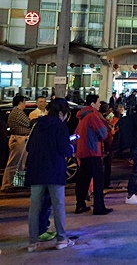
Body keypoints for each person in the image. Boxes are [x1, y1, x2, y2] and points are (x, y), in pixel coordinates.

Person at [25, 98, 75, 252]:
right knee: (58, 205)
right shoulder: (60, 127)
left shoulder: (37, 125)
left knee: (35, 207)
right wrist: (71, 148)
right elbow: (64, 149)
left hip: (36, 170)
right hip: (54, 170)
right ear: (61, 113)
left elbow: (28, 147)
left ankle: (32, 243)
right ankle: (61, 239)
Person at [74, 94, 112, 215]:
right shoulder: (93, 116)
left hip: (82, 151)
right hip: (93, 151)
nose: (100, 104)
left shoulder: (81, 117)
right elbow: (103, 133)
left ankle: (80, 205)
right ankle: (99, 207)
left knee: (83, 179)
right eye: (98, 102)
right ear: (92, 104)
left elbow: (76, 135)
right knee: (98, 180)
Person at [1, 95, 30, 191]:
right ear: (21, 102)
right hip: (19, 139)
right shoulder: (18, 112)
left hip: (19, 138)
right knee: (14, 163)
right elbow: (28, 122)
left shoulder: (15, 112)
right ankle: (7, 185)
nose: (25, 104)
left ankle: (17, 184)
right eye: (25, 102)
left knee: (20, 163)